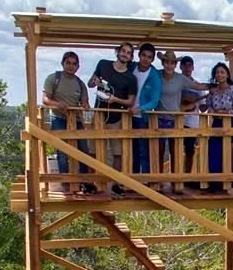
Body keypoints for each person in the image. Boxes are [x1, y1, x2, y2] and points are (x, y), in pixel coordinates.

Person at [88, 42, 137, 193]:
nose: (125, 54)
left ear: (130, 57)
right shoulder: (103, 65)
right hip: (99, 114)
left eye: (128, 53)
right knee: (93, 150)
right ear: (117, 52)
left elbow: (130, 101)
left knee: (117, 153)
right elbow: (90, 83)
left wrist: (115, 99)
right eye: (123, 51)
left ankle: (116, 183)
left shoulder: (130, 78)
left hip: (117, 117)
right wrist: (95, 82)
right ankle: (92, 183)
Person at [42, 51, 90, 192]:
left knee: (83, 151)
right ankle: (66, 183)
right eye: (68, 63)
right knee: (62, 152)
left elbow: (85, 102)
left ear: (78, 67)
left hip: (76, 119)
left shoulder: (80, 84)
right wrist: (58, 104)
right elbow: (45, 100)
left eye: (74, 64)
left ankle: (84, 182)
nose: (70, 66)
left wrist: (86, 105)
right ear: (63, 63)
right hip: (59, 118)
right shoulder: (53, 78)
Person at [155, 50, 210, 173]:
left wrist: (214, 86)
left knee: (176, 150)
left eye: (172, 63)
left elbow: (199, 87)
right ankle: (157, 180)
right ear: (163, 63)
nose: (169, 65)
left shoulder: (181, 79)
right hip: (159, 117)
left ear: (175, 65)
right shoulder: (156, 74)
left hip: (176, 119)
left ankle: (178, 181)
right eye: (167, 62)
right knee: (159, 150)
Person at [204, 62, 233, 191]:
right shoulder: (213, 91)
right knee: (214, 151)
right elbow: (207, 105)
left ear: (227, 74)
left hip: (231, 123)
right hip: (216, 124)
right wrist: (211, 111)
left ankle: (229, 182)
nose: (219, 75)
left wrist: (224, 113)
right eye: (217, 73)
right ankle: (215, 182)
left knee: (230, 151)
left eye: (222, 72)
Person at [129, 43, 162, 174]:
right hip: (126, 115)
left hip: (141, 118)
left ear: (152, 59)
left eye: (149, 57)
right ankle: (132, 180)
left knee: (143, 151)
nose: (145, 59)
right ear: (139, 55)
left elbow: (154, 101)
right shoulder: (131, 67)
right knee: (130, 150)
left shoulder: (154, 76)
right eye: (143, 55)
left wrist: (140, 109)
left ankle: (146, 181)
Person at [179, 55, 206, 174]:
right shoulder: (176, 83)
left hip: (192, 123)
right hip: (178, 122)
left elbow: (203, 107)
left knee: (190, 150)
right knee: (176, 150)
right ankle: (176, 177)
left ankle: (187, 176)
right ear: (181, 67)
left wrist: (210, 97)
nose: (187, 68)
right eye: (185, 65)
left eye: (190, 65)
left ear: (193, 67)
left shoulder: (198, 86)